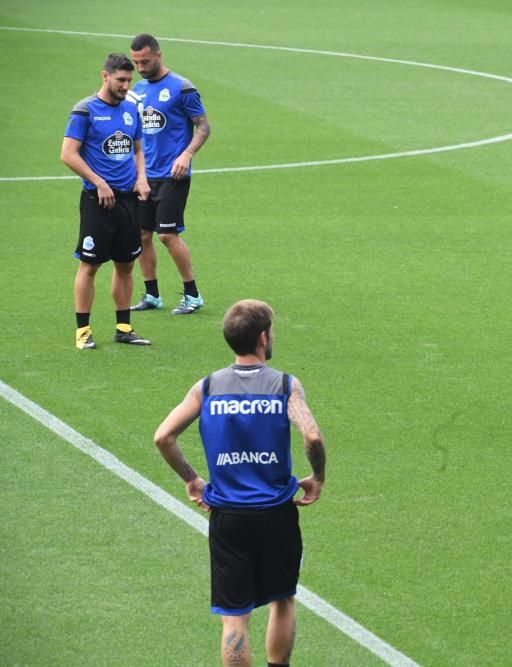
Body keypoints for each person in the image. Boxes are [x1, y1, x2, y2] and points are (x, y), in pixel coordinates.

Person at [153, 299, 326, 667]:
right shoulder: (284, 385)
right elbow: (311, 436)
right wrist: (317, 478)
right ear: (263, 337)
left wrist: (193, 480)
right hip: (277, 512)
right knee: (282, 599)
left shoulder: (207, 387)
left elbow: (163, 437)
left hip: (228, 516)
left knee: (234, 617)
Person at [61, 53, 152, 350]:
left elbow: (138, 149)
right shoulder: (85, 111)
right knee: (90, 265)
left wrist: (142, 178)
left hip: (128, 201)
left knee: (126, 265)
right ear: (105, 76)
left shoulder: (130, 111)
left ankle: (124, 328)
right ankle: (83, 332)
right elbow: (68, 154)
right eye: (121, 80)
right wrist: (99, 182)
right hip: (97, 202)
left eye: (129, 80)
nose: (126, 86)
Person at [128, 33, 211, 315]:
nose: (141, 68)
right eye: (136, 62)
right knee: (142, 235)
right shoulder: (136, 90)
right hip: (143, 175)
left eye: (146, 61)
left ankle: (192, 295)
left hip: (173, 175)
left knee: (167, 235)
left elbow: (203, 126)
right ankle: (152, 295)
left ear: (159, 55)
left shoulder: (182, 88)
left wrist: (186, 154)